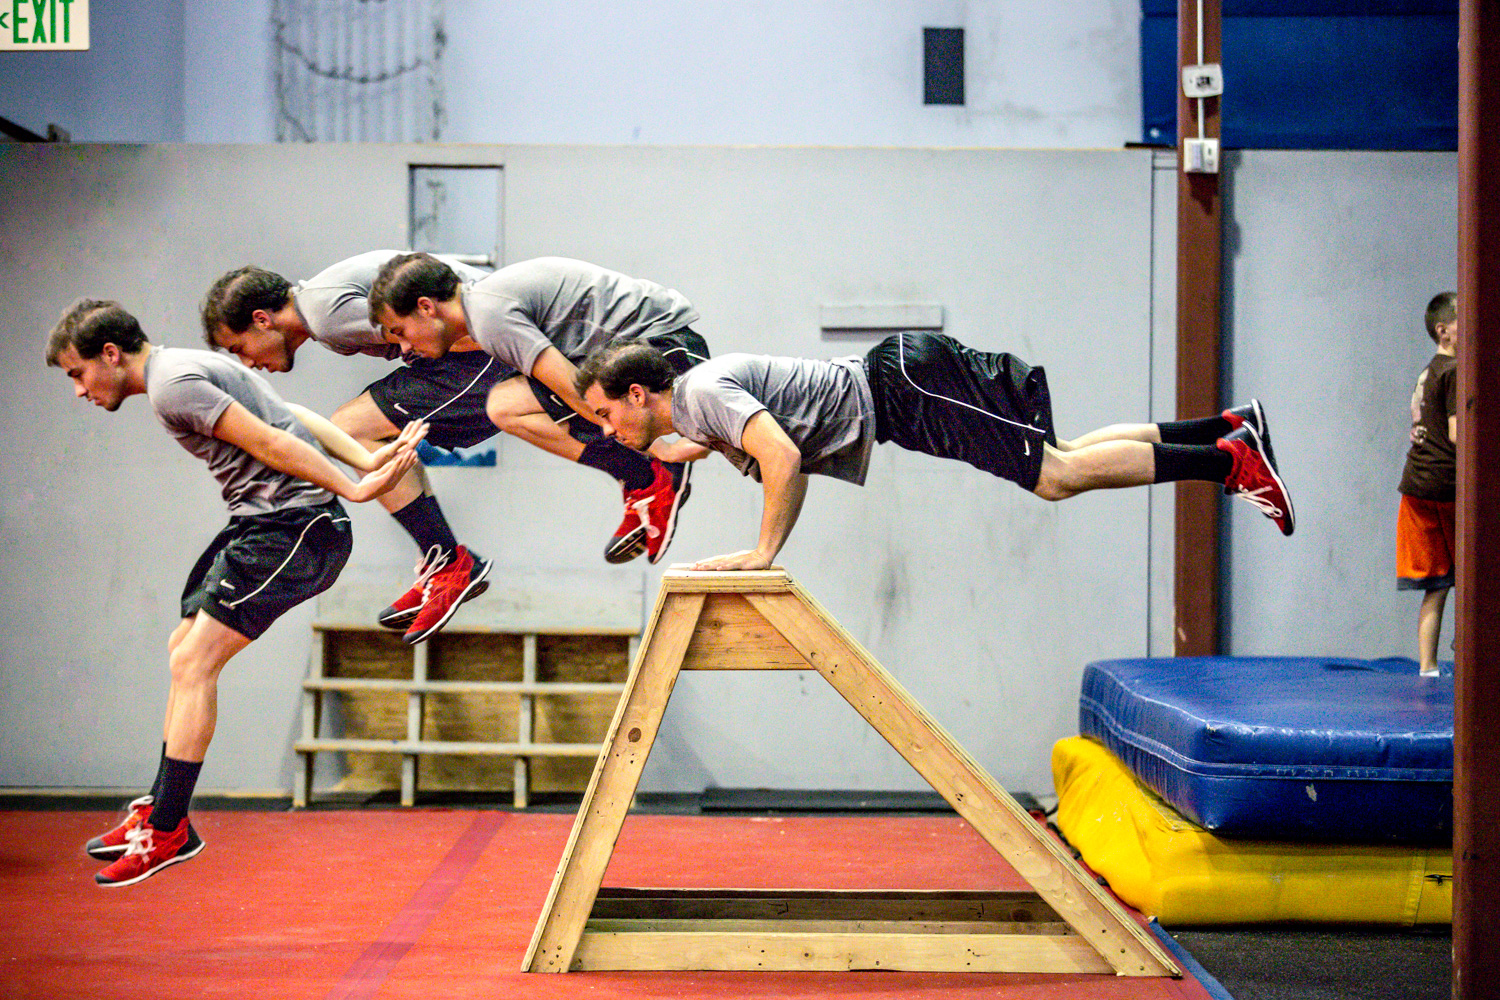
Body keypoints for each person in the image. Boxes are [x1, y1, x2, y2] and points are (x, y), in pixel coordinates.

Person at [47, 299, 424, 887]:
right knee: (182, 649)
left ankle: (169, 828)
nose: (78, 390)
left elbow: (274, 441)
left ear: (110, 354)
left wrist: (352, 488)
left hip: (295, 528)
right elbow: (292, 411)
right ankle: (159, 806)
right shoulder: (185, 368)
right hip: (260, 524)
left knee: (196, 661)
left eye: (77, 373)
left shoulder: (173, 386)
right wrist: (363, 457)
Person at [574, 332, 1295, 571]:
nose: (607, 430)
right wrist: (663, 460)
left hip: (906, 388)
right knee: (1065, 455)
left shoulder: (701, 394)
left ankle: (1229, 462)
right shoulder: (694, 413)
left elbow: (783, 458)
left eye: (607, 414)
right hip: (904, 396)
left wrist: (761, 552)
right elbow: (697, 442)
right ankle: (1225, 429)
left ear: (640, 393)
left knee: (1057, 477)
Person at [202, 252, 499, 645]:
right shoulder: (321, 305)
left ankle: (448, 560)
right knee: (356, 429)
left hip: (485, 351)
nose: (249, 363)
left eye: (240, 348)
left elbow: (446, 320)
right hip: (476, 349)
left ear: (262, 319)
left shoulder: (326, 315)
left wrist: (520, 349)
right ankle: (445, 558)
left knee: (348, 429)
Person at [367, 253, 709, 563]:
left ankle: (651, 473)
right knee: (504, 404)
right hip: (639, 346)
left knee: (507, 405)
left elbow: (577, 390)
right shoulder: (483, 306)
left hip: (666, 348)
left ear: (426, 307)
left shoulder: (489, 316)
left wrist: (659, 447)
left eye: (401, 331)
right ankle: (642, 475)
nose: (405, 347)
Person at [1397, 292, 1459, 676]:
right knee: (1471, 574)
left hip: (1416, 484)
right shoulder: (1454, 370)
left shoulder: (1429, 370)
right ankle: (1467, 649)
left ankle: (1428, 667)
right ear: (1444, 331)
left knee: (1437, 585)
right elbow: (1456, 434)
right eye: (1463, 322)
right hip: (1445, 488)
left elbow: (1418, 422)